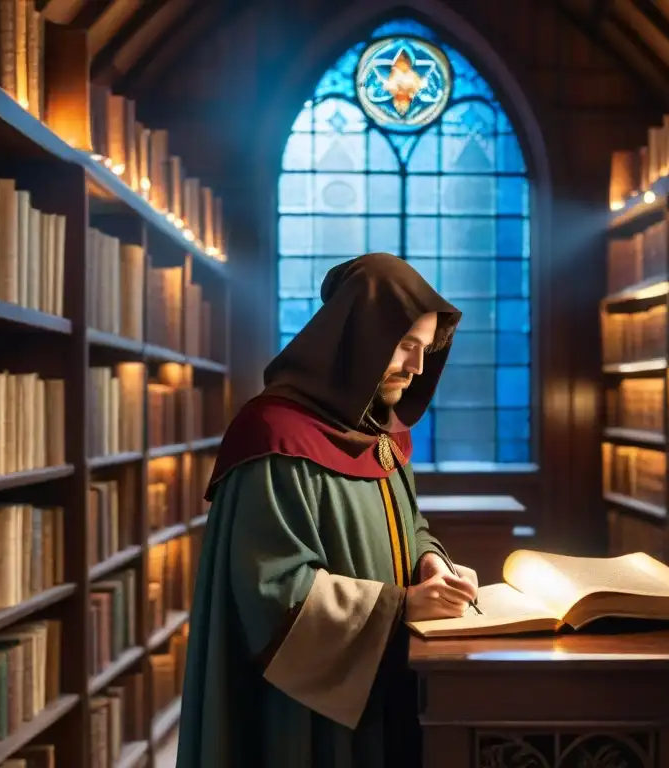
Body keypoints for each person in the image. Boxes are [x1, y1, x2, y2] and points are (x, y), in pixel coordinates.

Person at [176, 252, 480, 767]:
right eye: (406, 346)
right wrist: (402, 605)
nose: (417, 368)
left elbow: (412, 527)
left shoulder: (376, 427)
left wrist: (430, 561)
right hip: (306, 707)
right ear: (361, 336)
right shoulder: (274, 437)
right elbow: (273, 593)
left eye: (424, 350)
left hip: (386, 674)